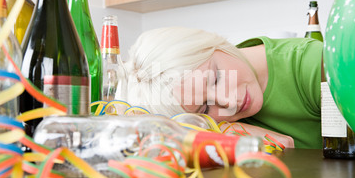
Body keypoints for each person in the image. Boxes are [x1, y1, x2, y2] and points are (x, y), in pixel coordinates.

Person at [116, 27, 323, 149]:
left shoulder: (312, 64)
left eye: (216, 78)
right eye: (205, 109)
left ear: (216, 45)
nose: (229, 102)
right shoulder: (215, 123)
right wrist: (221, 129)